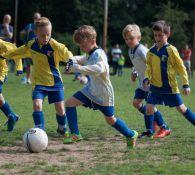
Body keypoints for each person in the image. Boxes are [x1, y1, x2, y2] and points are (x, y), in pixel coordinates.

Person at [65, 25, 138, 149]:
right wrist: (72, 59)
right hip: (90, 91)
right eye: (80, 46)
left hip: (104, 94)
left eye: (83, 45)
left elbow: (100, 68)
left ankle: (131, 134)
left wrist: (79, 68)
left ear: (93, 41)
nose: (81, 48)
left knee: (110, 120)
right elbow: (81, 58)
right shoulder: (89, 53)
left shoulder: (99, 54)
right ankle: (75, 134)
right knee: (69, 103)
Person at [1, 17, 73, 135]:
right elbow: (18, 51)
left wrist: (70, 60)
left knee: (60, 109)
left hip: (55, 82)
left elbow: (65, 51)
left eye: (48, 34)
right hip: (38, 82)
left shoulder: (54, 45)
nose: (45, 38)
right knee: (37, 104)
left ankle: (62, 127)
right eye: (42, 35)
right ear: (36, 33)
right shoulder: (31, 44)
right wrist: (5, 56)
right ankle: (40, 130)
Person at [143, 20, 195, 137]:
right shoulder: (151, 52)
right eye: (155, 35)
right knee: (149, 108)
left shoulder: (171, 50)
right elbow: (148, 68)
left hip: (169, 88)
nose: (157, 38)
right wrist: (147, 78)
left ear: (168, 35)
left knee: (182, 109)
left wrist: (185, 84)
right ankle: (149, 132)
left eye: (160, 35)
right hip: (155, 87)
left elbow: (181, 68)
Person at [122, 24, 171, 138]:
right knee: (136, 103)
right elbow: (137, 65)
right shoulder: (131, 51)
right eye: (126, 39)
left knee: (150, 107)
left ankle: (159, 128)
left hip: (151, 84)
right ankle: (153, 120)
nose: (128, 41)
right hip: (142, 84)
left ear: (138, 38)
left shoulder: (142, 50)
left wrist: (149, 78)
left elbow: (152, 64)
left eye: (131, 38)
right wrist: (134, 73)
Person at [0, 39, 23, 131]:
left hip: (1, 73)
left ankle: (11, 116)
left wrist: (19, 68)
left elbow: (15, 52)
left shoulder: (2, 44)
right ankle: (12, 116)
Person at [20, 12, 41, 84]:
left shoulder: (41, 26)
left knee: (38, 64)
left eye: (38, 18)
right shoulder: (29, 25)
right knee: (28, 64)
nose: (36, 19)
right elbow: (21, 33)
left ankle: (37, 79)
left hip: (38, 48)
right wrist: (25, 32)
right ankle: (28, 79)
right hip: (29, 48)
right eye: (35, 18)